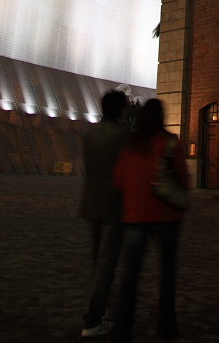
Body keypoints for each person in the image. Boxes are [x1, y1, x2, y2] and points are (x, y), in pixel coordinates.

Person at [112, 98, 189, 343]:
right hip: (166, 216)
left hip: (135, 217)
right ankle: (166, 326)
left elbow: (118, 181)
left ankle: (122, 329)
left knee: (130, 276)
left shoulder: (130, 146)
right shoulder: (169, 143)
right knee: (167, 274)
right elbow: (184, 178)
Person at [80, 89, 130, 339]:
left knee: (97, 261)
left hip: (91, 203)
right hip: (113, 207)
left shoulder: (89, 133)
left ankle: (101, 307)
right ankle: (93, 319)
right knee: (106, 264)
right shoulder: (122, 137)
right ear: (121, 110)